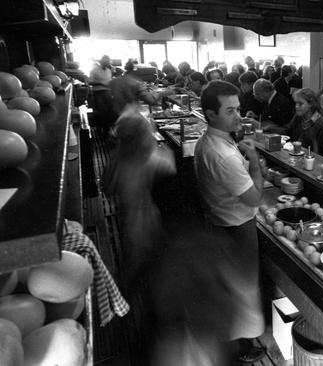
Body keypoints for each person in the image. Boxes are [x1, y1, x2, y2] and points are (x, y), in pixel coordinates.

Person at [193, 80, 266, 363]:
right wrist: (255, 161)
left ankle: (236, 347)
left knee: (229, 288)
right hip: (236, 229)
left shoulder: (209, 141)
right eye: (231, 111)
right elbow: (255, 199)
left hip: (218, 222)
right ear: (211, 115)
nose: (239, 116)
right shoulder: (224, 155)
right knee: (243, 289)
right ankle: (240, 351)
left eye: (239, 109)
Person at [103, 107, 176, 285]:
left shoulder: (119, 157)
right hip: (143, 215)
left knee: (133, 247)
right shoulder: (153, 161)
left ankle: (133, 282)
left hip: (127, 211)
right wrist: (167, 152)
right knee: (140, 252)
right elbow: (171, 169)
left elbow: (107, 187)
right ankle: (131, 288)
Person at [286, 89, 323, 154]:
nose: (296, 106)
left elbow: (320, 152)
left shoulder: (321, 124)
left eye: (300, 103)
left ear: (310, 104)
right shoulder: (298, 117)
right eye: (296, 103)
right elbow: (287, 133)